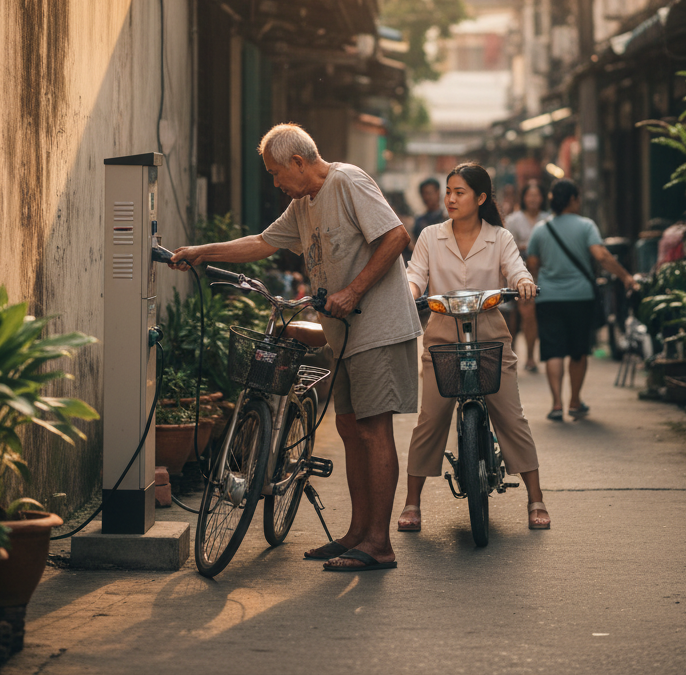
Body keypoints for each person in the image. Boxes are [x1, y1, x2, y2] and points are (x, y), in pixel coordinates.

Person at [170, 123, 421, 573]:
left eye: (275, 172)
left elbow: (397, 237)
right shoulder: (302, 205)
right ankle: (357, 534)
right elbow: (261, 244)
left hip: (378, 327)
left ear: (299, 163)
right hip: (343, 335)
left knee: (372, 429)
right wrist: (202, 251)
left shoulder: (347, 181)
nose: (274, 182)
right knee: (348, 429)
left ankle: (379, 545)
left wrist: (354, 292)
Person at [397, 162, 550, 534]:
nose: (450, 198)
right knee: (430, 419)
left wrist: (524, 282)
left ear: (481, 198)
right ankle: (411, 503)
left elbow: (515, 269)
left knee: (511, 417)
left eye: (459, 192)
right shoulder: (432, 236)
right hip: (443, 338)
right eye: (449, 191)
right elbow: (416, 273)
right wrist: (410, 290)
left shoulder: (500, 237)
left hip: (490, 337)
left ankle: (536, 498)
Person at [526, 178, 636, 421]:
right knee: (578, 350)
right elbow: (601, 255)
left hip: (548, 298)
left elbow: (532, 263)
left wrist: (537, 284)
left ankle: (556, 404)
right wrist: (626, 277)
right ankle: (575, 402)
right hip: (580, 297)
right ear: (574, 200)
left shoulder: (541, 229)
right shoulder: (586, 226)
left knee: (553, 350)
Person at [503, 180, 550, 372]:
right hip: (515, 271)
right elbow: (507, 246)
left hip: (540, 273)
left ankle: (531, 356)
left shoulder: (548, 218)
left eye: (536, 195)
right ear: (523, 198)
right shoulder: (513, 219)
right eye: (529, 195)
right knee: (512, 316)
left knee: (530, 315)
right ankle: (512, 353)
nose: (533, 199)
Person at [412, 177, 445, 243]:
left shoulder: (447, 219)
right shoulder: (420, 221)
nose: (427, 197)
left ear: (438, 193)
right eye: (424, 194)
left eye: (429, 193)